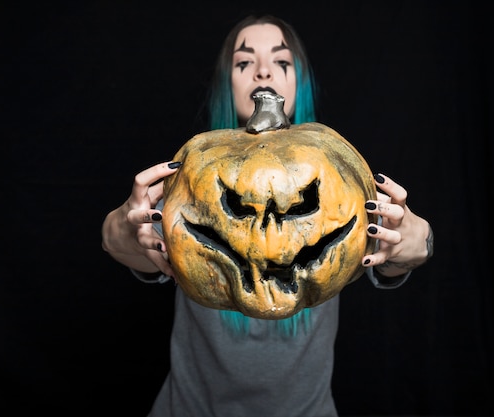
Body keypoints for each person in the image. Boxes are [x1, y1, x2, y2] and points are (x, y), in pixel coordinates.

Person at [101, 14, 433, 417]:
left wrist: (417, 240)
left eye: (281, 61)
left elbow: (399, 256)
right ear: (229, 83)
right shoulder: (186, 181)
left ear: (299, 81)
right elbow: (122, 244)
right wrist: (122, 228)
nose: (263, 71)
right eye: (244, 63)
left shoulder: (338, 177)